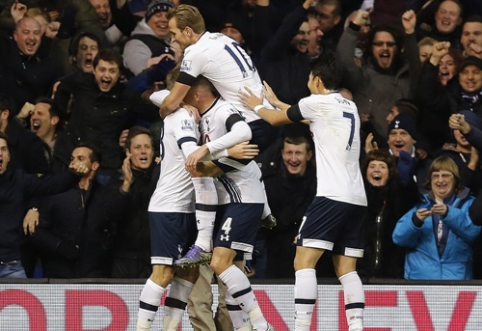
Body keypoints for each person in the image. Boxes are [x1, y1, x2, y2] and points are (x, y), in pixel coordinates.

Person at [239, 51, 367, 331]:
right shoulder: (348, 105)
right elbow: (311, 119)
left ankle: (301, 327)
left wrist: (258, 105)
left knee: (303, 261)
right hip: (357, 197)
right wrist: (277, 103)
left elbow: (275, 121)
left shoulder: (316, 103)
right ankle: (357, 327)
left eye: (310, 78)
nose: (308, 82)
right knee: (346, 270)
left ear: (318, 81)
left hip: (331, 195)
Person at [161, 4, 276, 152]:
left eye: (174, 34)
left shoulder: (196, 53)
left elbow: (170, 104)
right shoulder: (220, 38)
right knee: (234, 173)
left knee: (201, 169)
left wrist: (167, 110)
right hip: (268, 115)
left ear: (188, 32)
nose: (172, 40)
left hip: (251, 125)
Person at [53, 49, 159, 178]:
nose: (107, 75)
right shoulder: (80, 82)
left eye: (112, 71)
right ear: (94, 70)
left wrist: (130, 132)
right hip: (69, 155)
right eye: (102, 70)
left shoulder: (127, 96)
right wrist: (63, 114)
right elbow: (62, 88)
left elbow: (154, 114)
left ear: (119, 74)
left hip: (105, 163)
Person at [0, 132, 88, 278]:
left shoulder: (19, 180)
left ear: (9, 156)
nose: (0, 154)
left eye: (3, 149)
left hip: (12, 267)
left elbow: (52, 185)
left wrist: (73, 174)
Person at [30, 143, 112, 278]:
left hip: (94, 275)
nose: (74, 162)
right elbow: (37, 232)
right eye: (72, 158)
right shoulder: (56, 192)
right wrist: (59, 246)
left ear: (95, 165)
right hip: (58, 273)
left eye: (81, 159)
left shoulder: (105, 195)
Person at [393, 155, 481, 280]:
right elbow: (399, 238)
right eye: (435, 176)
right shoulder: (419, 203)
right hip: (419, 280)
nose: (440, 181)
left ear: (455, 179)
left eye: (445, 175)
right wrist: (414, 222)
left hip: (457, 281)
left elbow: (473, 233)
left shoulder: (468, 204)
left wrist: (449, 214)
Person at [336, 9, 413, 138]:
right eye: (378, 44)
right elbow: (343, 61)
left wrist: (411, 33)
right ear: (371, 48)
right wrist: (354, 27)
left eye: (390, 44)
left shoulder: (406, 80)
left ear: (399, 48)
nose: (384, 48)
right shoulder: (362, 76)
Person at [257, 134, 317, 279]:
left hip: (311, 253)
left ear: (308, 155)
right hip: (275, 254)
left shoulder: (320, 184)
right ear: (283, 154)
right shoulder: (269, 183)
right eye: (289, 153)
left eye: (298, 153)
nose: (293, 159)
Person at [105, 126, 157, 278]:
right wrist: (126, 185)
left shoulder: (161, 178)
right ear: (128, 152)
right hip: (124, 259)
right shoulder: (117, 180)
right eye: (138, 147)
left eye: (147, 147)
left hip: (155, 259)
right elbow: (110, 215)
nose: (143, 152)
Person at [358, 149, 417, 279]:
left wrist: (407, 183)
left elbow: (411, 200)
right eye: (372, 166)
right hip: (360, 274)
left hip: (392, 275)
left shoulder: (398, 199)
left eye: (382, 166)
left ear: (389, 173)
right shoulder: (357, 200)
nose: (377, 170)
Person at [0, 17, 62, 114]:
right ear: (15, 36)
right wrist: (13, 19)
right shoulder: (5, 56)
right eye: (26, 32)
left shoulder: (49, 66)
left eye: (36, 33)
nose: (32, 37)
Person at [123, 0, 176, 77]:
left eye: (168, 17)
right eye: (158, 15)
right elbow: (141, 71)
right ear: (148, 19)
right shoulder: (135, 44)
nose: (164, 20)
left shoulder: (176, 42)